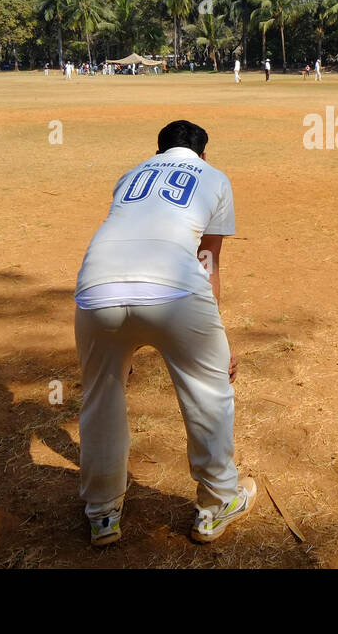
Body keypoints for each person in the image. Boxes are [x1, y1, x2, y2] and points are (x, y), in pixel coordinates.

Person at [73, 120, 252, 547]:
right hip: (175, 290)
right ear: (204, 156)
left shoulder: (130, 174)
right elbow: (208, 261)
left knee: (102, 398)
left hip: (96, 289)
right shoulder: (215, 178)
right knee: (209, 394)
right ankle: (217, 503)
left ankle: (102, 514)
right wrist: (218, 344)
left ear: (156, 152)